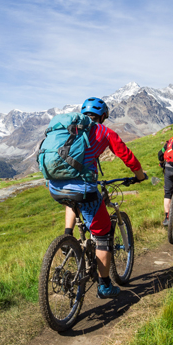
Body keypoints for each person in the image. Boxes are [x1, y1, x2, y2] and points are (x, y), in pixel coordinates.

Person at [47, 97, 147, 299]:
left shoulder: (69, 127)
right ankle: (105, 285)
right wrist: (139, 176)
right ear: (103, 116)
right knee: (104, 234)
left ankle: (68, 237)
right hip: (83, 188)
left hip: (55, 186)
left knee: (71, 200)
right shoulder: (104, 132)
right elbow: (126, 155)